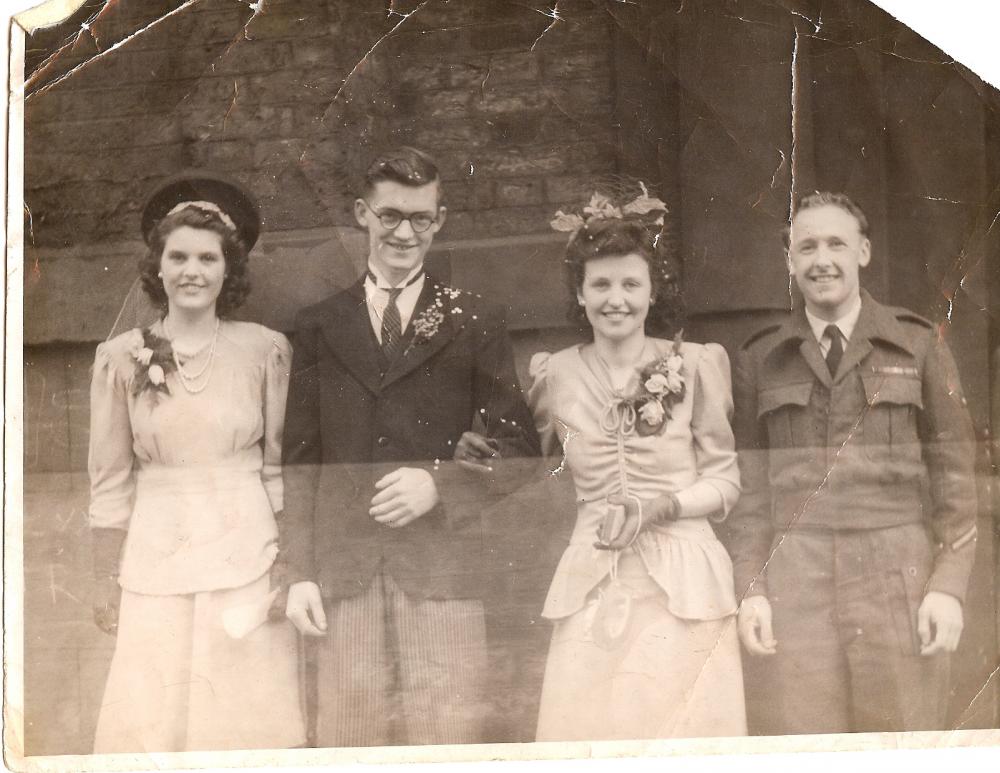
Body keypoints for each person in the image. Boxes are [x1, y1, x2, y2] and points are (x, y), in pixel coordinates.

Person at [279, 146, 540, 746]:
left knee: (447, 738)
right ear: (362, 214)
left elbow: (519, 445)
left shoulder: (473, 320)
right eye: (390, 215)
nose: (404, 232)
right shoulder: (320, 323)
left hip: (441, 568)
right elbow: (301, 459)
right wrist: (299, 573)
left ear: (440, 220)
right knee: (349, 740)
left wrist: (439, 484)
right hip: (345, 572)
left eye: (421, 218)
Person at [729, 192, 978, 734]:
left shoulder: (916, 344)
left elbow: (955, 478)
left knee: (904, 737)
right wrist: (752, 591)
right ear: (791, 262)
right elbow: (749, 494)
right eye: (807, 247)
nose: (822, 260)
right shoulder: (761, 356)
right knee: (807, 742)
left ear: (863, 252)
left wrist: (948, 586)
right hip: (798, 580)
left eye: (836, 244)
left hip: (897, 574)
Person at [87, 173, 305, 752]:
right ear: (156, 265)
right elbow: (109, 480)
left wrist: (285, 555)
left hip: (244, 544)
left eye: (207, 258)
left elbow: (276, 463)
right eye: (177, 255)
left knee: (239, 711)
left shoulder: (265, 349)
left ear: (228, 269)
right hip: (157, 548)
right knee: (154, 713)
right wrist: (108, 572)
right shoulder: (120, 357)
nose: (192, 271)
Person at [520, 187, 746, 740]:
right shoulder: (554, 376)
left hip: (685, 579)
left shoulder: (694, 364)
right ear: (579, 293)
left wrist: (662, 504)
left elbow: (726, 479)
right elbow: (533, 465)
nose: (614, 299)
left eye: (630, 284)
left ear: (651, 292)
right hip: (592, 579)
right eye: (600, 284)